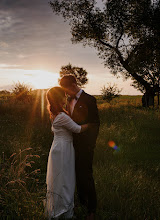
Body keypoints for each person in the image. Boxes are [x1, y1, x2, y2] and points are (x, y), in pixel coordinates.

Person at [59, 75, 100, 220]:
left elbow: (95, 124)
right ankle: (81, 202)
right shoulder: (68, 101)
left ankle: (91, 209)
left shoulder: (89, 99)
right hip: (71, 145)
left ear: (74, 85)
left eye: (66, 89)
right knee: (75, 174)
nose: (66, 93)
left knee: (86, 175)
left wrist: (89, 146)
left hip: (86, 146)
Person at [45, 87, 89, 220]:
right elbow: (77, 129)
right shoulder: (62, 116)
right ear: (59, 98)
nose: (66, 97)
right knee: (66, 180)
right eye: (64, 96)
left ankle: (60, 207)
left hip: (59, 147)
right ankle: (63, 210)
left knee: (60, 179)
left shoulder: (56, 114)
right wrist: (92, 125)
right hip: (64, 149)